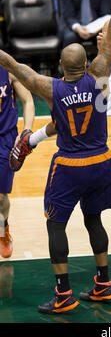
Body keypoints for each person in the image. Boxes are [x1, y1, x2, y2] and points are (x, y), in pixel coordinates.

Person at [1, 0, 111, 314]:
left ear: (60, 66)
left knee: (56, 224)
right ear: (87, 62)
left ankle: (63, 293)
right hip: (101, 162)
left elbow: (15, 66)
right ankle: (103, 283)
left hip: (70, 165)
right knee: (94, 220)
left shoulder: (51, 88)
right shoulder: (100, 76)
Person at [0, 67, 34, 259]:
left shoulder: (8, 70)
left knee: (1, 198)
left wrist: (26, 131)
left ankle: (2, 232)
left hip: (5, 139)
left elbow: (28, 99)